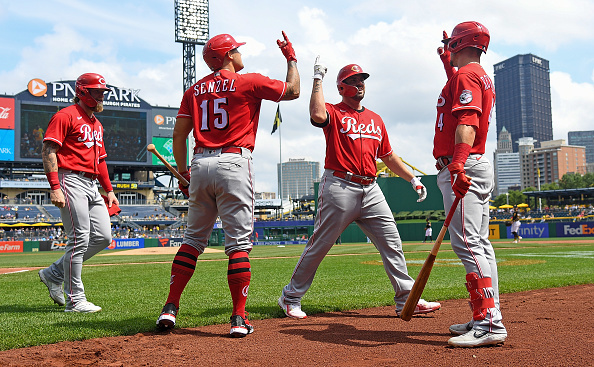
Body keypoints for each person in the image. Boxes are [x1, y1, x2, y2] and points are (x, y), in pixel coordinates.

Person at [156, 32, 300, 337]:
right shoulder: (247, 81)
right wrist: (290, 57)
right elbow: (293, 91)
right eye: (236, 50)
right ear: (227, 56)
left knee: (193, 241)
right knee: (237, 244)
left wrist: (183, 172)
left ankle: (169, 308)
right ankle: (238, 318)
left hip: (200, 163)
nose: (239, 53)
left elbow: (179, 136)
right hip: (234, 161)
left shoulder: (193, 90)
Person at [278, 57, 441, 320]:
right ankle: (290, 297)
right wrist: (317, 78)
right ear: (341, 88)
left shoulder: (376, 119)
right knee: (320, 244)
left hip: (371, 188)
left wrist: (413, 178)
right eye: (351, 81)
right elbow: (317, 115)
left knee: (392, 242)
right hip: (340, 185)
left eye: (361, 80)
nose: (359, 84)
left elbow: (388, 156)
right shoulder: (333, 110)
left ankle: (406, 299)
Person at [433, 21, 507, 347]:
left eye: (452, 43)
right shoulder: (473, 74)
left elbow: (467, 120)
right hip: (476, 164)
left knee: (468, 244)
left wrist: (458, 164)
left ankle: (490, 323)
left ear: (459, 42)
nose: (448, 46)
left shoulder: (466, 75)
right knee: (479, 245)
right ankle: (485, 315)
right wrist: (446, 65)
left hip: (465, 165)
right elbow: (460, 105)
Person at [38, 73, 119, 313]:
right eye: (97, 91)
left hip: (92, 183)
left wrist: (110, 190)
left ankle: (53, 274)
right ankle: (75, 300)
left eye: (103, 92)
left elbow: (101, 160)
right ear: (83, 91)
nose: (101, 95)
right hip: (70, 178)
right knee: (79, 239)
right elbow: (48, 150)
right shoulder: (66, 115)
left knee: (103, 237)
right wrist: (55, 186)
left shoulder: (96, 123)